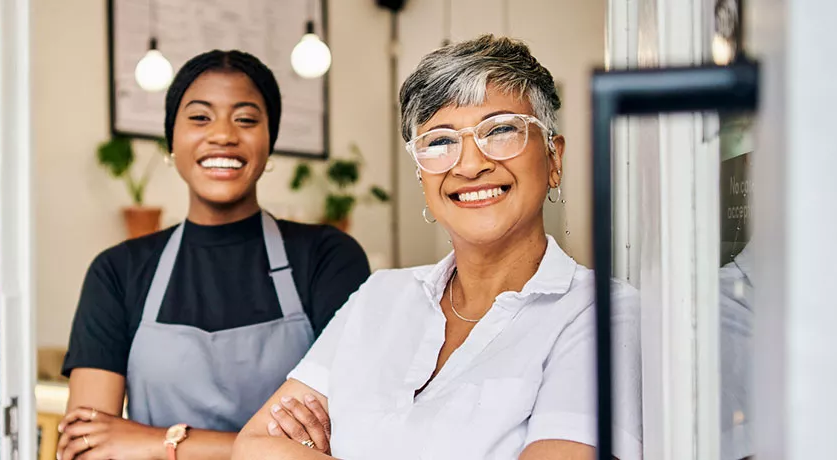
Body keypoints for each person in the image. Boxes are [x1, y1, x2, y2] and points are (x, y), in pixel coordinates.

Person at [233, 35, 643, 459]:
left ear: (553, 159)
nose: (469, 164)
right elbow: (255, 446)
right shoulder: (379, 296)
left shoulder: (602, 315)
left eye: (501, 130)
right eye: (441, 141)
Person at [57, 50, 371, 460]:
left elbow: (351, 431)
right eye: (200, 117)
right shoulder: (117, 271)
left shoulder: (328, 258)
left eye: (245, 119)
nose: (223, 134)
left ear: (269, 141)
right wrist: (270, 448)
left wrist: (158, 442)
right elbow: (87, 447)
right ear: (172, 140)